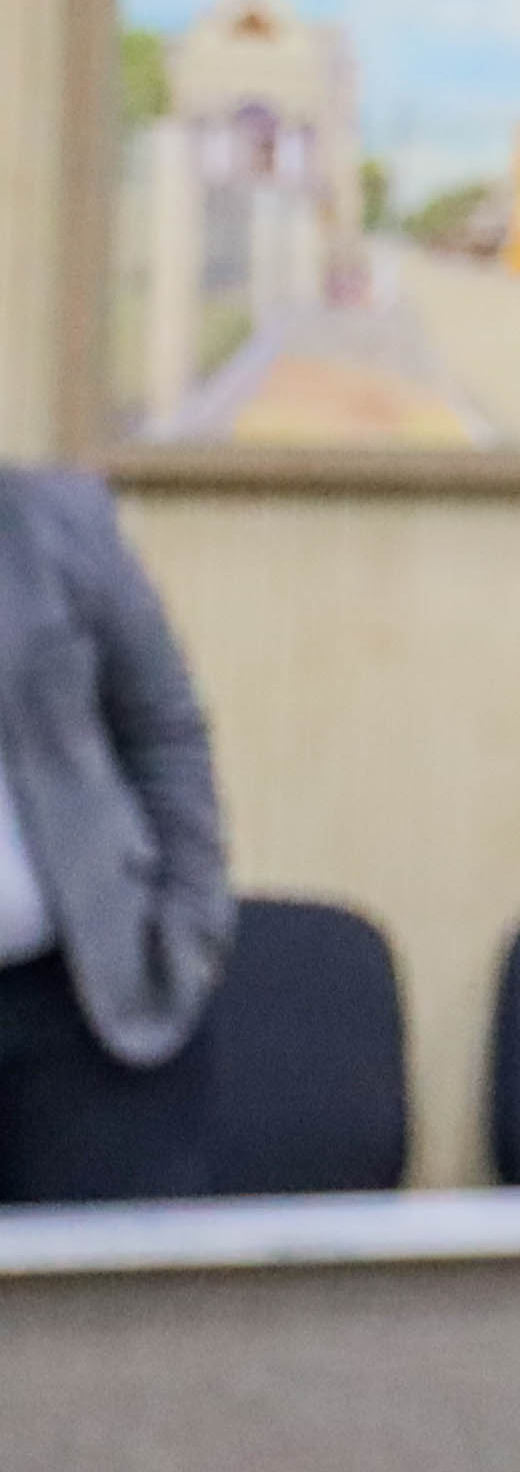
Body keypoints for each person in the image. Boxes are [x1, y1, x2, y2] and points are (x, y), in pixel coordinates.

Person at [0, 467, 232, 1205]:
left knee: (113, 1313)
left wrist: (188, 928)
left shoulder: (56, 524)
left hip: (85, 1008)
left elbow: (164, 733)